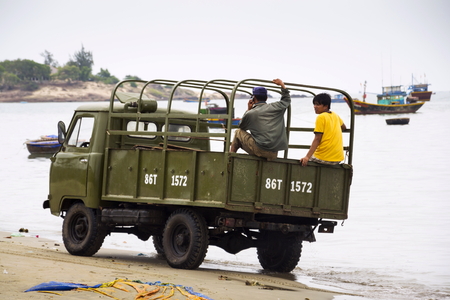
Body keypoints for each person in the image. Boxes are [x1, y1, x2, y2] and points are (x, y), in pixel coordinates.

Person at [230, 78, 290, 161]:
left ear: (253, 98)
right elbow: (286, 99)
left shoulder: (251, 113)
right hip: (274, 153)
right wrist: (282, 85)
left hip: (260, 151)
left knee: (238, 132)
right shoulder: (277, 107)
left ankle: (230, 158)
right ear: (266, 98)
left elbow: (242, 126)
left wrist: (248, 109)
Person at [299, 93, 346, 166]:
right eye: (314, 104)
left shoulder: (321, 117)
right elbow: (344, 127)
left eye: (318, 105)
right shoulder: (335, 115)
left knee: (303, 162)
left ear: (326, 106)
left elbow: (317, 139)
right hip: (338, 158)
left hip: (324, 157)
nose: (315, 107)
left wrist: (307, 157)